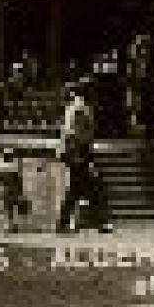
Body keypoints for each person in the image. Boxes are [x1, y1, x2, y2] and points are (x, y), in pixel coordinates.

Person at [55, 81, 111, 234]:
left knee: (81, 189)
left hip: (77, 152)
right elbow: (79, 134)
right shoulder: (79, 109)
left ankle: (67, 222)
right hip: (79, 153)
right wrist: (84, 155)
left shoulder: (73, 108)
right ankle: (99, 222)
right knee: (91, 188)